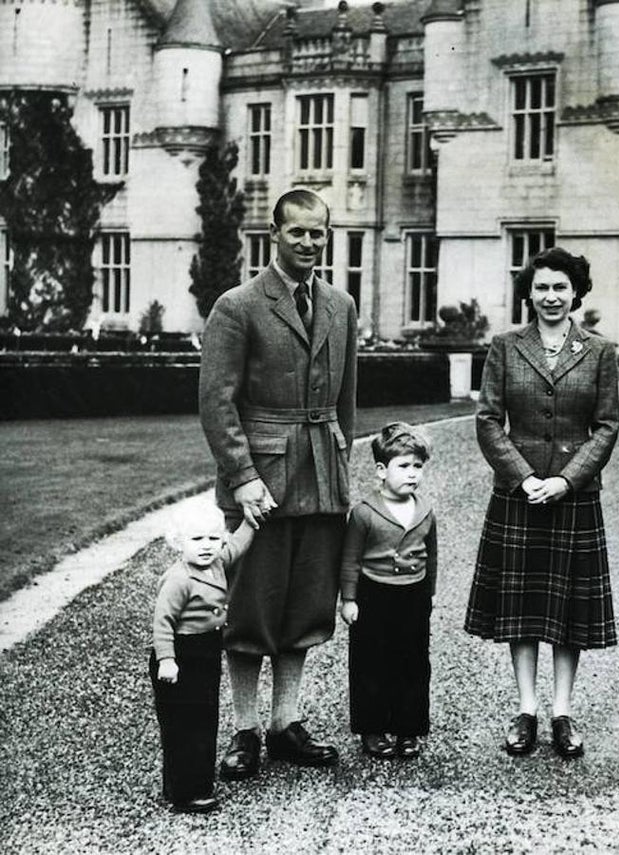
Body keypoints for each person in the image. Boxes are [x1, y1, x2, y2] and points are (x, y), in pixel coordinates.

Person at [199, 187, 358, 779]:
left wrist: (340, 468)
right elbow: (217, 404)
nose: (310, 243)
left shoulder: (341, 305)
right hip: (261, 483)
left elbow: (345, 404)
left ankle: (284, 724)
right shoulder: (237, 306)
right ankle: (243, 731)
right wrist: (241, 478)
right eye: (298, 233)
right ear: (275, 234)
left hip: (322, 477)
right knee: (249, 610)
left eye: (318, 233)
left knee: (305, 606)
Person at [465, 246, 619, 759]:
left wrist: (568, 481)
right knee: (523, 607)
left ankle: (562, 712)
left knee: (568, 610)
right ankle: (526, 710)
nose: (551, 297)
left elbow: (607, 426)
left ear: (576, 293)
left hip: (573, 499)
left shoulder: (599, 351)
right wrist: (524, 477)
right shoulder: (506, 346)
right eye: (542, 288)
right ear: (528, 293)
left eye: (560, 288)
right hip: (520, 497)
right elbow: (488, 419)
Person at [340, 422, 438, 760]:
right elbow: (350, 558)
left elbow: (431, 553)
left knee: (412, 661)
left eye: (417, 466)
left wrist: (429, 594)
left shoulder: (424, 509)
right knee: (371, 662)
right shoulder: (365, 513)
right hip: (373, 595)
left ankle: (408, 729)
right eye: (404, 466)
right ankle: (372, 728)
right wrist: (349, 599)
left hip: (413, 595)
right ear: (382, 471)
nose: (412, 474)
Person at [150, 502, 254, 814]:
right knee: (184, 724)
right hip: (181, 656)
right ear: (178, 542)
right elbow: (162, 622)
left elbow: (237, 547)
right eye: (196, 540)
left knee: (205, 718)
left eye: (212, 538)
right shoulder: (179, 579)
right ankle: (185, 792)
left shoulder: (217, 563)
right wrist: (167, 659)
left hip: (206, 650)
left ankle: (197, 784)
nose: (206, 546)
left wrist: (250, 521)